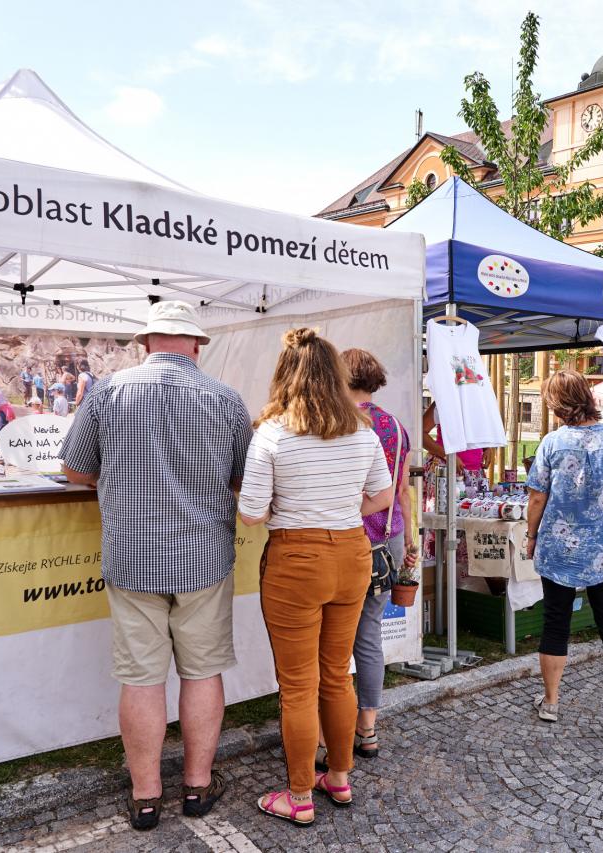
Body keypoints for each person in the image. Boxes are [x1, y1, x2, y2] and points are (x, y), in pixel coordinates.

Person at [59, 300, 252, 831]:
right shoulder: (225, 399)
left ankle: (146, 796)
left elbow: (75, 470)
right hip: (204, 556)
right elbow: (243, 481)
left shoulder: (108, 392)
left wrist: (117, 479)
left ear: (146, 343)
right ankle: (197, 786)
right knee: (202, 671)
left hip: (132, 557)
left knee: (142, 679)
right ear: (196, 346)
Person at [237, 328, 393, 827]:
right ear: (336, 375)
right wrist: (340, 511)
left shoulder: (272, 433)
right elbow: (383, 496)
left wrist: (292, 510)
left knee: (298, 686)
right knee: (337, 674)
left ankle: (300, 794)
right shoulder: (363, 431)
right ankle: (339, 777)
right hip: (351, 552)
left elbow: (251, 514)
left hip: (296, 559)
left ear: (285, 374)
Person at [524, 370, 603, 736]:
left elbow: (537, 498)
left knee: (555, 624)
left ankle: (551, 702)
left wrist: (531, 536)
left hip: (559, 549)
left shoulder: (552, 443)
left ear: (557, 405)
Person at [337, 347, 418, 762]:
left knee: (332, 635)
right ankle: (367, 727)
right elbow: (402, 491)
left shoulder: (337, 421)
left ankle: (330, 727)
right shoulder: (396, 427)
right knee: (368, 633)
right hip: (389, 536)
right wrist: (411, 539)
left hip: (347, 537)